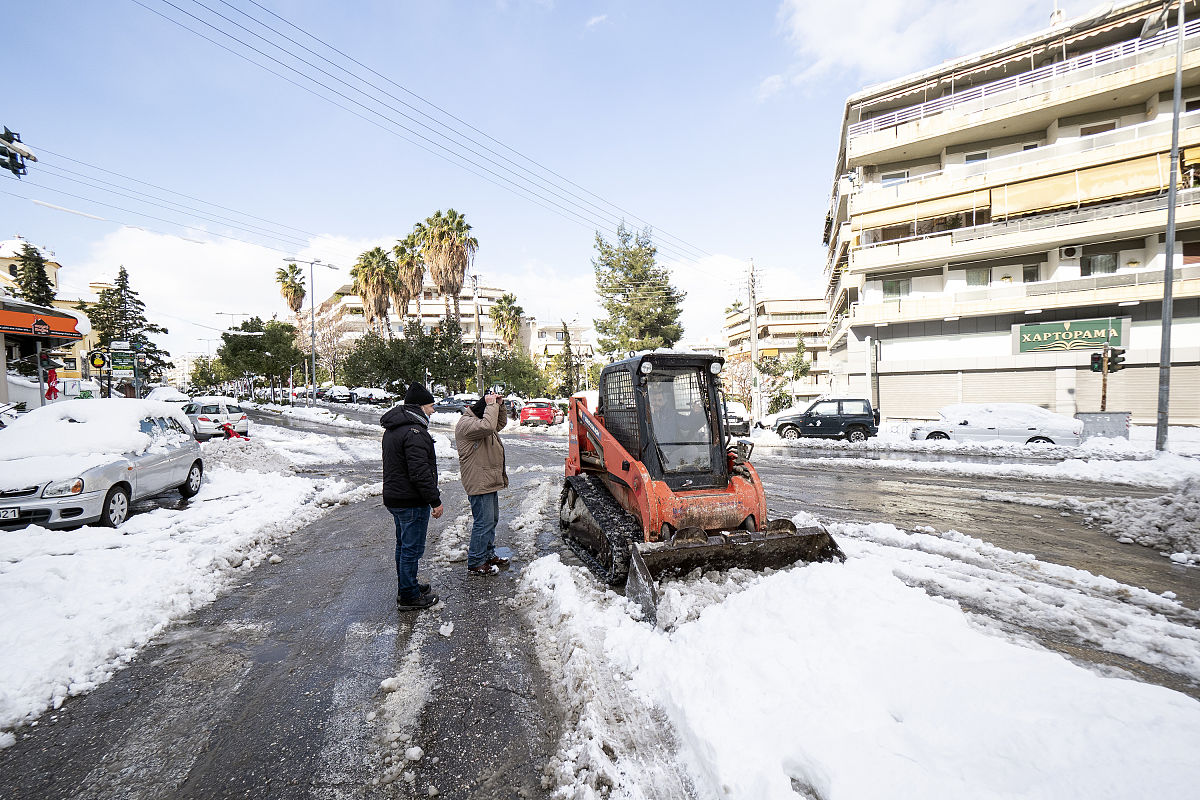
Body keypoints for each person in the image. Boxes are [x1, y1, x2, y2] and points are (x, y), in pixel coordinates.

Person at [381, 382, 444, 610]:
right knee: (411, 549)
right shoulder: (414, 432)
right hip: (410, 500)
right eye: (431, 406)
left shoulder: (396, 428)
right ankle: (409, 595)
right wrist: (434, 500)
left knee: (403, 546)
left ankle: (407, 586)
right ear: (420, 407)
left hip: (396, 497)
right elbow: (420, 473)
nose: (433, 411)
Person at [455, 392, 509, 576]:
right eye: (490, 410)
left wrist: (499, 405)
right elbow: (489, 426)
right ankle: (476, 561)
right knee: (483, 522)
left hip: (487, 479)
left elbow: (498, 424)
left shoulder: (480, 421)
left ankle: (487, 554)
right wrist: (491, 405)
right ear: (483, 410)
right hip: (479, 480)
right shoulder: (467, 424)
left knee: (491, 520)